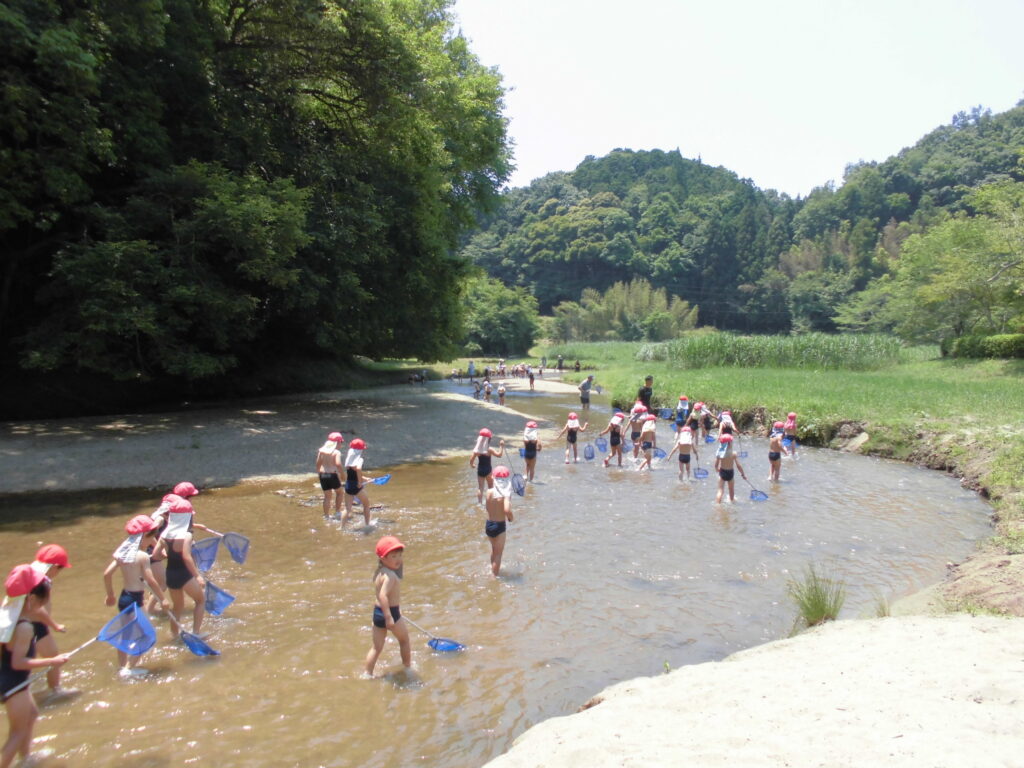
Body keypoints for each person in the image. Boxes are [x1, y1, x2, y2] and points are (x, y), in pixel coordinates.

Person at [1, 566, 69, 768]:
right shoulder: (24, 628)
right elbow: (18, 662)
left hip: (10, 679)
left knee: (32, 714)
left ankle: (26, 758)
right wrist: (52, 661)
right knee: (17, 733)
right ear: (31, 599)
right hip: (14, 683)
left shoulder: (7, 609)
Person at [103, 515, 172, 677]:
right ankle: (129, 669)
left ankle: (121, 667)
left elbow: (107, 574)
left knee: (126, 634)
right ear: (144, 537)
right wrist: (163, 598)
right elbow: (151, 580)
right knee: (147, 636)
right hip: (136, 599)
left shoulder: (122, 554)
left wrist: (110, 595)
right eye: (152, 536)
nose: (153, 540)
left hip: (123, 598)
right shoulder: (142, 556)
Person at [153, 495, 206, 640]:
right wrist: (198, 576)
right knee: (200, 601)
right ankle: (196, 633)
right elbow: (187, 557)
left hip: (171, 575)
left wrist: (166, 553)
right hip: (185, 575)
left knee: (177, 608)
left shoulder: (164, 535)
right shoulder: (186, 535)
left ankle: (174, 636)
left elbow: (156, 555)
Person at [26, 545, 71, 698]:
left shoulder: (29, 573)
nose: (59, 573)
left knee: (23, 660)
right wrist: (55, 625)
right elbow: (38, 609)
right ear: (53, 567)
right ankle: (56, 690)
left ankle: (17, 689)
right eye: (60, 569)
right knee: (53, 657)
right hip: (36, 624)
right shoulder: (43, 582)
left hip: (22, 624)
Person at [364, 536, 411, 677]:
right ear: (383, 558)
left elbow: (380, 596)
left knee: (376, 647)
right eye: (394, 556)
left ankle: (367, 673)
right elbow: (384, 596)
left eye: (400, 555)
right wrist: (389, 616)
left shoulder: (380, 573)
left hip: (377, 613)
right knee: (404, 640)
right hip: (389, 613)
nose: (398, 559)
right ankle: (407, 668)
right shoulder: (390, 576)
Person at [484, 467, 515, 576]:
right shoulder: (505, 494)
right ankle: (494, 578)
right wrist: (511, 518)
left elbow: (487, 508)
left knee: (494, 550)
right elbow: (507, 510)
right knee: (498, 555)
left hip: (489, 525)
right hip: (500, 526)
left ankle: (491, 568)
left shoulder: (489, 491)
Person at [342, 439, 375, 527]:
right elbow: (358, 469)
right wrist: (360, 482)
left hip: (348, 485)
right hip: (357, 486)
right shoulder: (359, 459)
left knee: (347, 508)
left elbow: (353, 475)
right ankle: (367, 525)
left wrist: (365, 478)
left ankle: (342, 527)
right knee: (366, 505)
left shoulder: (348, 461)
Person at [470, 428, 505, 503]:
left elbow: (471, 459)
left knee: (480, 488)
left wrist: (472, 464)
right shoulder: (489, 449)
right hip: (488, 470)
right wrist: (501, 446)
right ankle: (490, 502)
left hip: (480, 470)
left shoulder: (477, 450)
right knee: (491, 487)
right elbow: (499, 455)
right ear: (489, 440)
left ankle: (479, 503)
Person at [315, 431, 345, 519]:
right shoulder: (336, 452)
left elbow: (318, 463)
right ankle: (337, 512)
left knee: (327, 496)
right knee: (340, 493)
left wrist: (318, 472)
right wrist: (342, 474)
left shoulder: (322, 451)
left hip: (323, 475)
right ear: (337, 443)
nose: (341, 445)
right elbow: (338, 464)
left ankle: (326, 515)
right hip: (332, 474)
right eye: (341, 442)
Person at [714, 434, 748, 503]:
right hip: (730, 473)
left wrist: (717, 470)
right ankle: (732, 501)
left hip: (722, 472)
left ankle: (718, 504)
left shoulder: (719, 453)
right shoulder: (733, 453)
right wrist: (743, 474)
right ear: (729, 443)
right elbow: (738, 465)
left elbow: (716, 465)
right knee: (731, 489)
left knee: (720, 490)